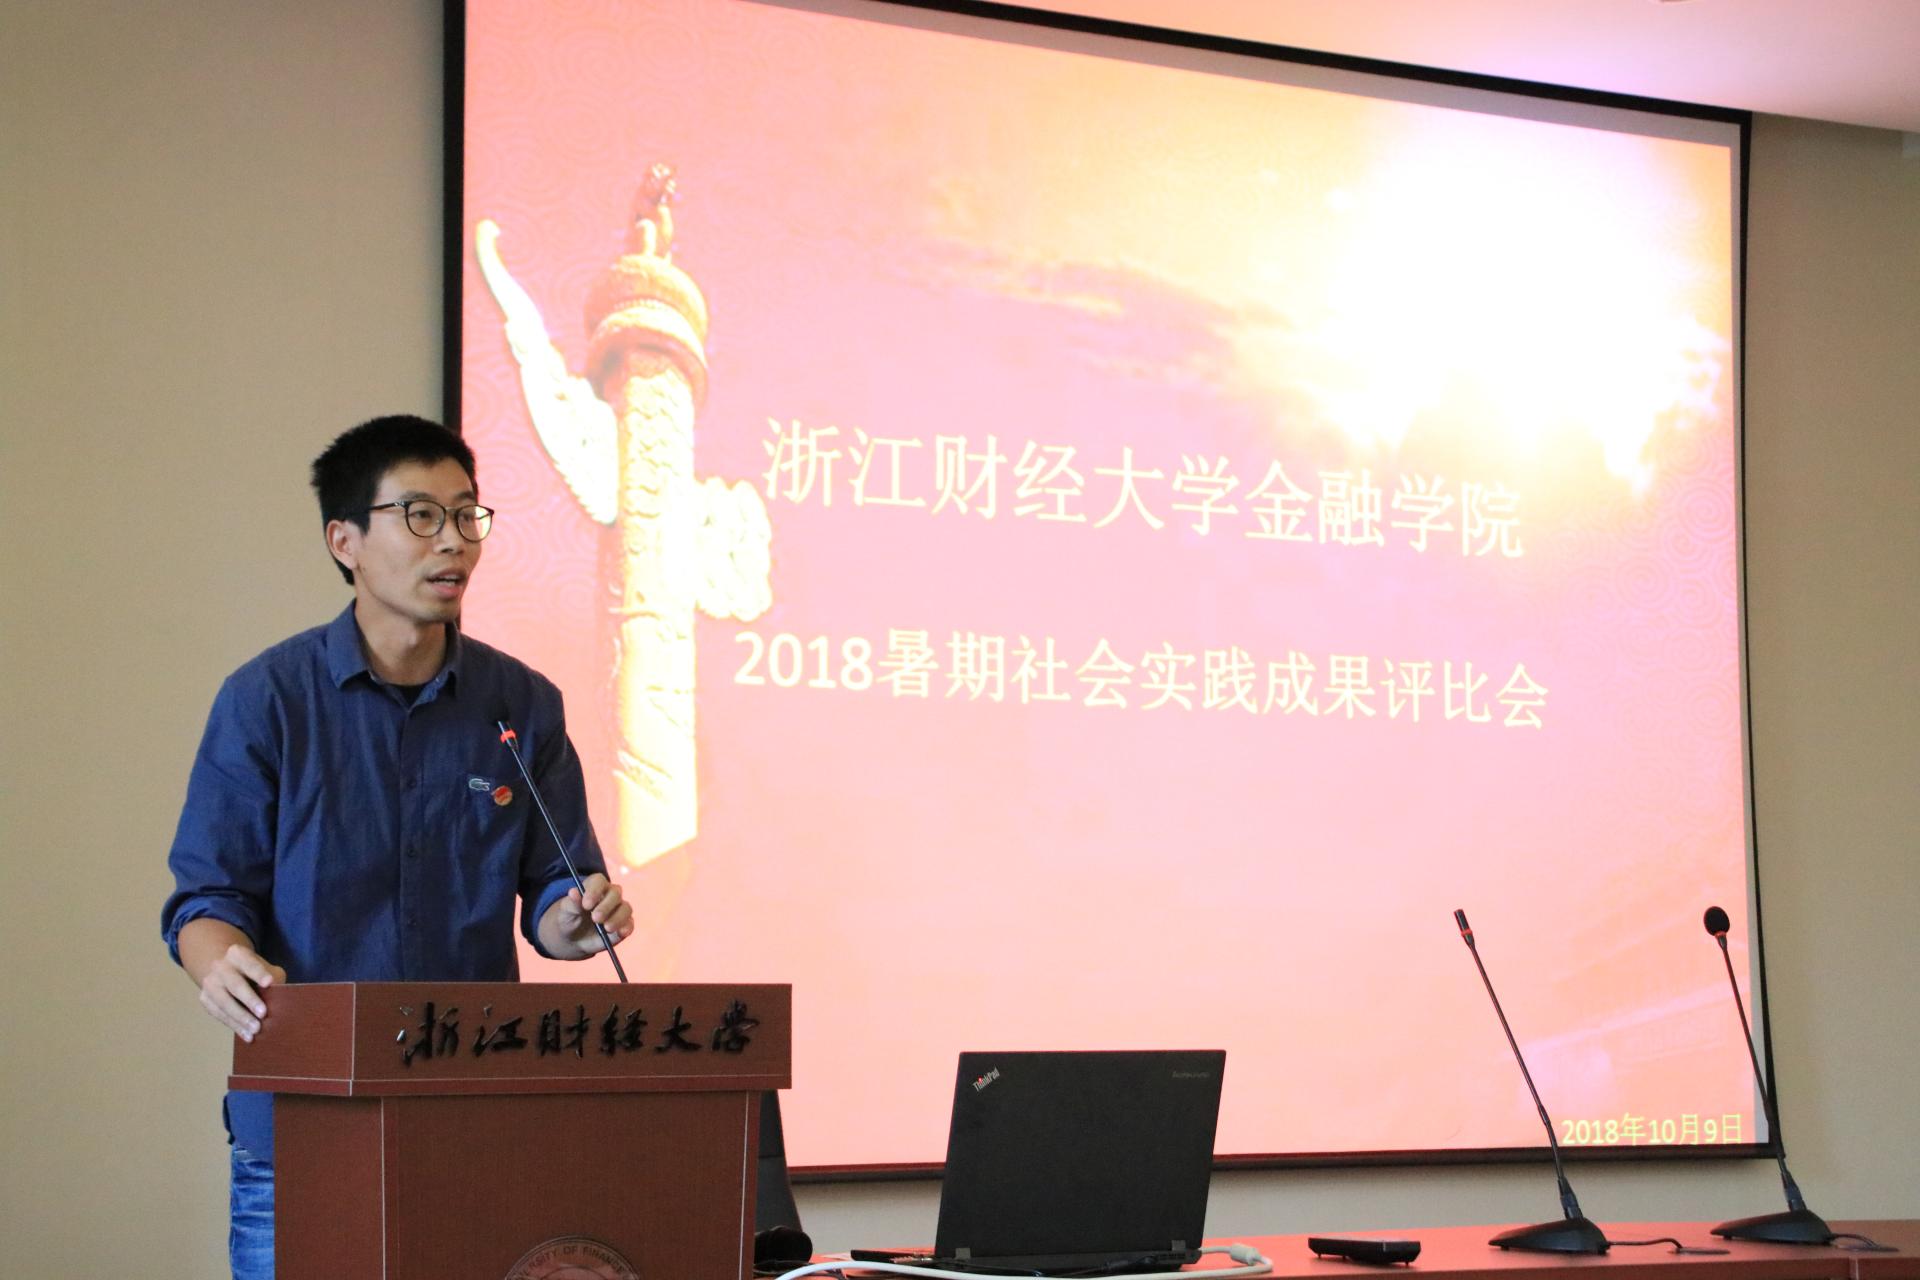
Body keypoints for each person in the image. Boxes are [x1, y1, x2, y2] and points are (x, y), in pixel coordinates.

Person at [161, 414, 632, 1280]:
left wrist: (576, 919)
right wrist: (220, 964)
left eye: (466, 515)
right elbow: (207, 900)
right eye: (420, 516)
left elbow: (555, 897)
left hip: (474, 1120)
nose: (452, 541)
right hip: (304, 1127)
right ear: (344, 540)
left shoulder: (522, 704)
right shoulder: (268, 700)